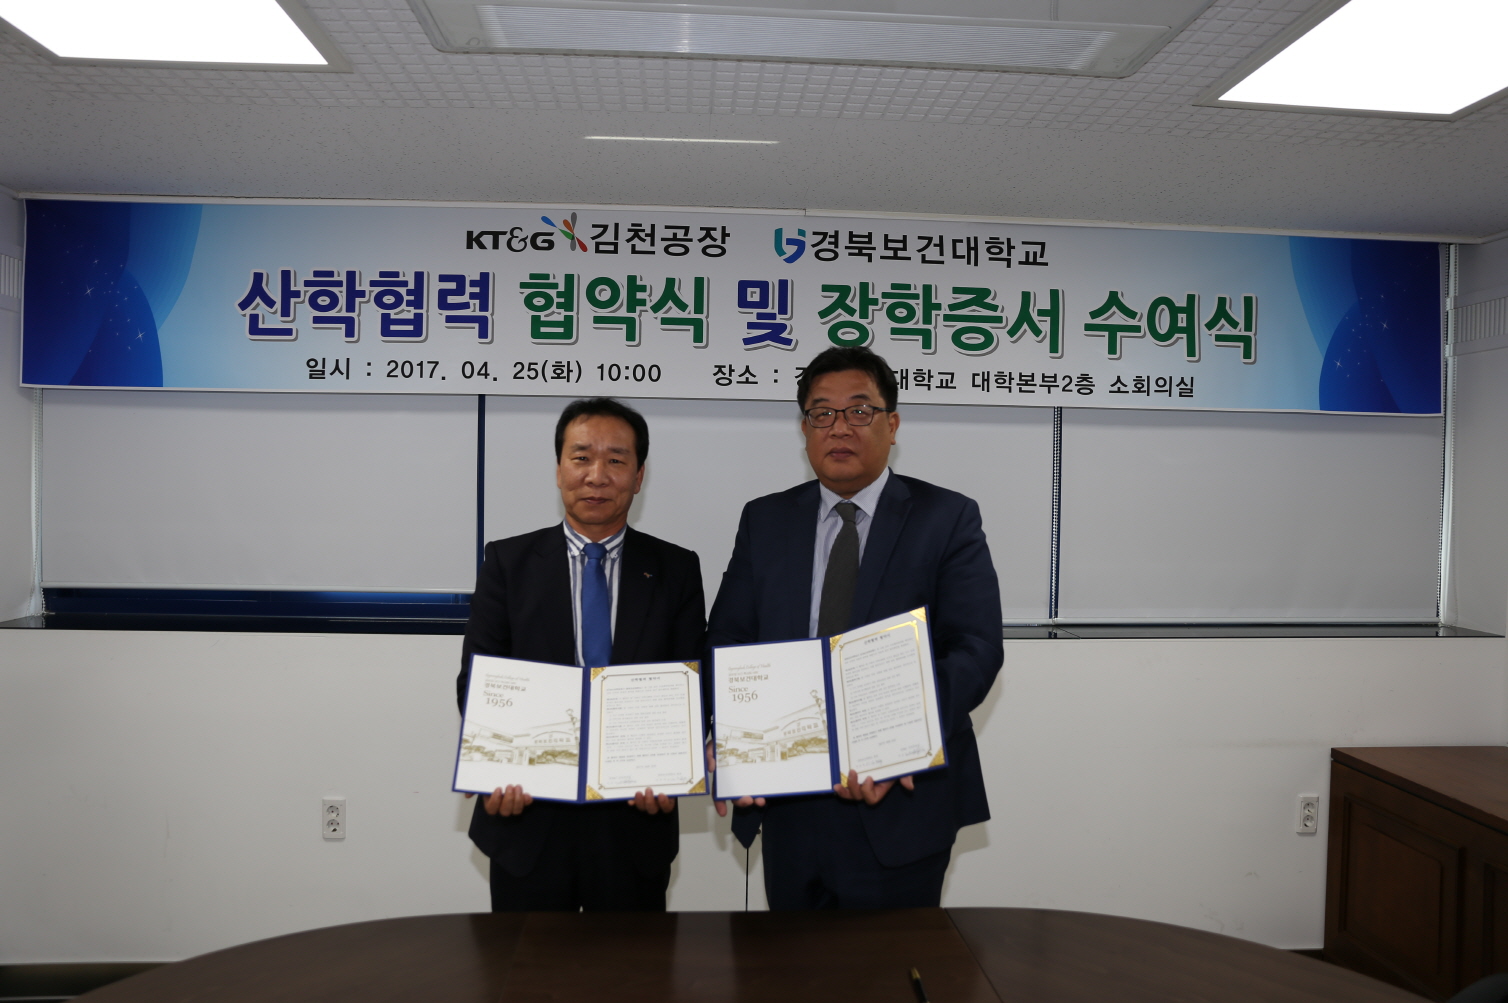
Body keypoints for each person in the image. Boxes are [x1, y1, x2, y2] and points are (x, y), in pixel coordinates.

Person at [707, 345, 1003, 910]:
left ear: (892, 424)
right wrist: (729, 737)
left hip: (900, 802)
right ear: (804, 429)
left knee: (893, 961)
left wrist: (897, 742)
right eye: (822, 413)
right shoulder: (765, 520)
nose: (839, 427)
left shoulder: (946, 517)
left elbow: (975, 649)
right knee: (790, 959)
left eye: (860, 410)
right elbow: (728, 640)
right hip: (789, 805)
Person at [458, 397, 705, 911]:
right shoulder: (507, 562)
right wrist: (498, 763)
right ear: (558, 470)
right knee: (524, 962)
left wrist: (671, 767)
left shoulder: (676, 569)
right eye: (581, 457)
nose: (597, 476)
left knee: (632, 962)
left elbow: (691, 686)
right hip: (527, 818)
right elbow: (478, 683)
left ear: (639, 476)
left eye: (616, 460)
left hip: (634, 822)